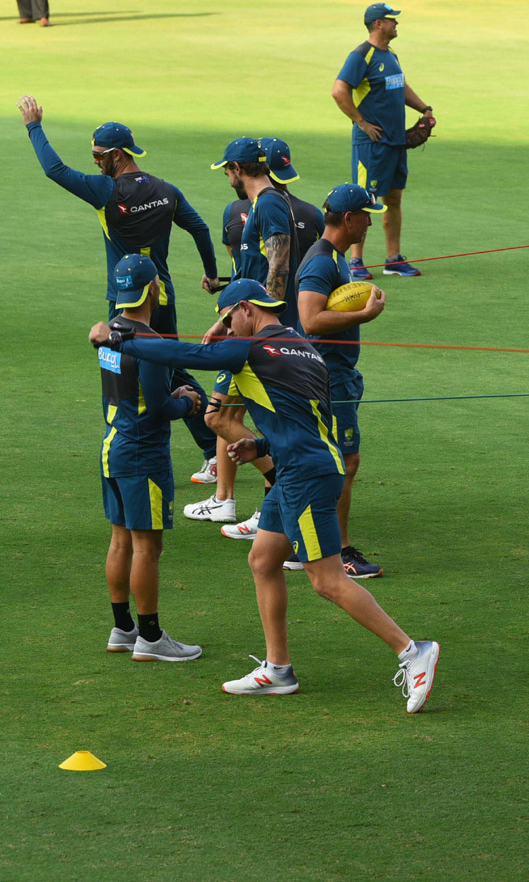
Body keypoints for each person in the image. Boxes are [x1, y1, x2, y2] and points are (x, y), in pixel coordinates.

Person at [88, 279, 441, 712]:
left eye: (227, 319)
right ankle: (278, 670)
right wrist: (261, 446)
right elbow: (310, 422)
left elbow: (187, 355)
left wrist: (122, 338)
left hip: (306, 476)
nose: (227, 330)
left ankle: (412, 650)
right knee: (262, 559)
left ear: (244, 308)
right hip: (303, 465)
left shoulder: (250, 345)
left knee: (326, 579)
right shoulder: (301, 345)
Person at [18, 96, 221, 483]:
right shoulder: (167, 189)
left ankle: (137, 443)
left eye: (97, 154)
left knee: (123, 370)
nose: (94, 160)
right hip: (163, 297)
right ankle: (213, 448)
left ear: (116, 154)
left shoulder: (106, 193)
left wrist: (34, 126)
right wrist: (211, 276)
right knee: (174, 368)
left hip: (126, 300)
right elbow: (200, 229)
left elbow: (55, 170)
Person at [189, 137, 324, 537]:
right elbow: (260, 271)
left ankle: (281, 493)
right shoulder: (265, 204)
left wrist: (258, 329)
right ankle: (240, 500)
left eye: (227, 170)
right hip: (249, 330)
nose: (227, 177)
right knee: (228, 415)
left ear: (237, 169)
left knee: (218, 415)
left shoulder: (266, 203)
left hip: (258, 337)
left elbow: (277, 271)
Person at [95, 255, 204, 662]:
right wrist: (188, 404)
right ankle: (152, 638)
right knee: (147, 546)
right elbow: (158, 407)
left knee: (120, 539)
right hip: (143, 454)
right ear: (153, 289)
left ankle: (123, 628)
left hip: (113, 446)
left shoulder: (110, 332)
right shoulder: (152, 344)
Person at [297, 184, 388, 580]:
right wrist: (363, 316)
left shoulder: (335, 257)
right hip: (328, 378)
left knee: (330, 462)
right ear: (348, 219)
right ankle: (339, 552)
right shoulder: (321, 262)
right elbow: (310, 320)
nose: (370, 222)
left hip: (338, 375)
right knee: (343, 463)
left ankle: (300, 544)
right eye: (367, 215)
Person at [331, 2, 435, 281]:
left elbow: (400, 87)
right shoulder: (361, 56)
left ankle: (393, 259)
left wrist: (425, 108)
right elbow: (339, 91)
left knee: (394, 197)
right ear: (378, 24)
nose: (396, 24)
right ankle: (356, 261)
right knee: (363, 201)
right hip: (371, 144)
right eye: (392, 20)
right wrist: (361, 123)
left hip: (395, 142)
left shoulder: (391, 56)